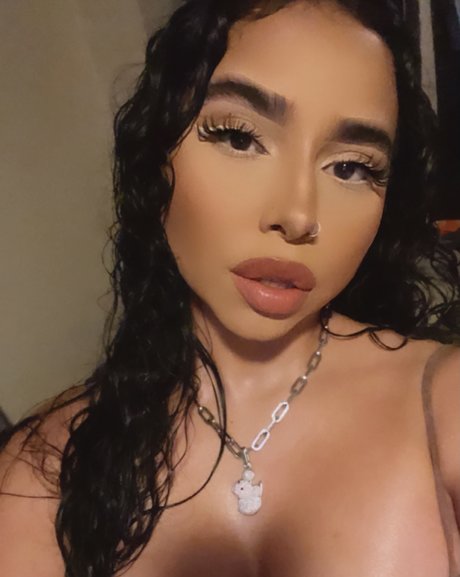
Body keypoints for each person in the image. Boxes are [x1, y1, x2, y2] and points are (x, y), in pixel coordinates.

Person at [1, 0, 459, 575]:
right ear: (157, 156)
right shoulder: (42, 472)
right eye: (241, 138)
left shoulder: (442, 402)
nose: (297, 215)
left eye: (351, 167)